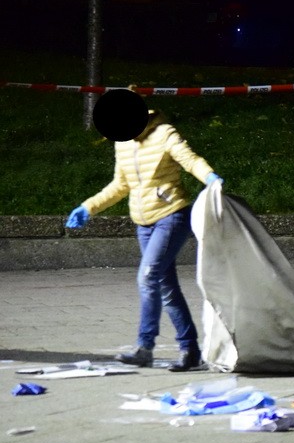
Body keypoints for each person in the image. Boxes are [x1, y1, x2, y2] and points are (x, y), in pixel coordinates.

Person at [65, 89, 223, 372]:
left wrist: (210, 177)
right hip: (143, 223)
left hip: (171, 216)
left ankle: (144, 346)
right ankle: (190, 351)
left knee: (147, 278)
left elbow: (189, 159)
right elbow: (121, 185)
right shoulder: (122, 141)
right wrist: (88, 207)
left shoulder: (164, 132)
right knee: (166, 288)